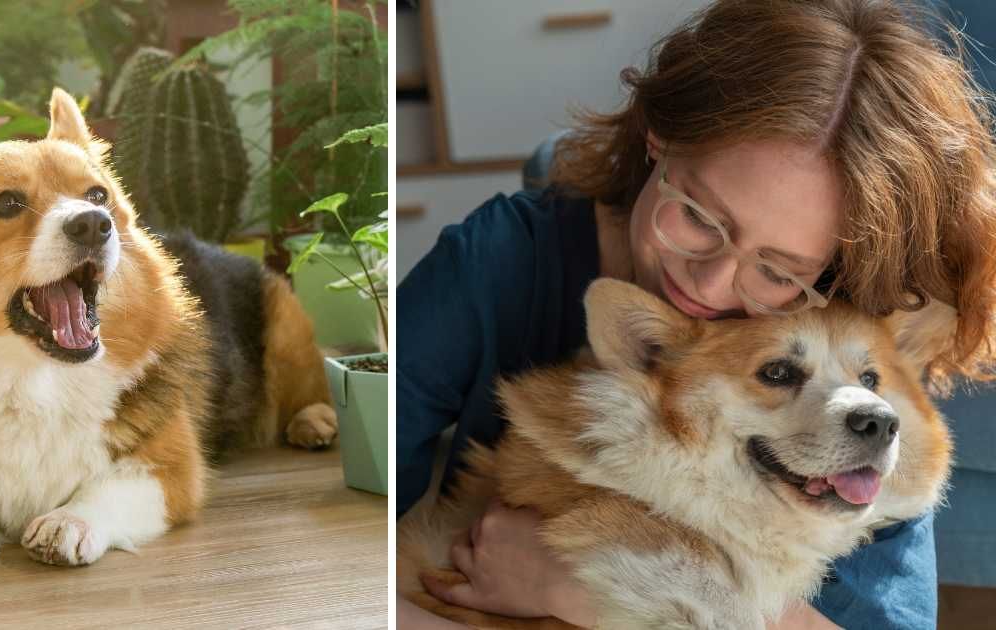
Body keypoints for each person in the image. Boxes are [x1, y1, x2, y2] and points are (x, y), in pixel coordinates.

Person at [395, 0, 996, 628]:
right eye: (699, 217)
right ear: (659, 140)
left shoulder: (852, 333)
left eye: (779, 269)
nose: (710, 284)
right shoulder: (501, 261)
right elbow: (358, 527)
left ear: (831, 267)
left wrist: (576, 591)